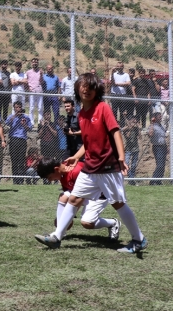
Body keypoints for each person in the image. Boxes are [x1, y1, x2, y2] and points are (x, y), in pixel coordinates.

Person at [34, 72, 148, 254]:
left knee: (118, 203)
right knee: (73, 199)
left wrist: (121, 157)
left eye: (90, 87)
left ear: (97, 90)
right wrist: (77, 156)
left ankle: (138, 239)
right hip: (89, 168)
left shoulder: (102, 108)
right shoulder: (81, 115)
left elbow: (116, 132)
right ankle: (56, 237)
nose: (86, 90)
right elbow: (88, 142)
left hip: (108, 167)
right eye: (83, 87)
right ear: (78, 90)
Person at [36, 157, 120, 241]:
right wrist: (64, 220)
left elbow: (79, 198)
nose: (50, 180)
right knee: (63, 196)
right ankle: (60, 232)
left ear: (56, 169)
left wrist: (68, 219)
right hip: (83, 195)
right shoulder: (62, 173)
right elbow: (71, 197)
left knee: (86, 223)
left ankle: (113, 223)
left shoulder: (76, 172)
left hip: (98, 196)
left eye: (49, 177)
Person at [4, 101, 32, 184]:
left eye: (19, 107)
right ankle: (15, 180)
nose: (18, 109)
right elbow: (6, 124)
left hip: (22, 140)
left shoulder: (26, 117)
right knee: (14, 161)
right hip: (13, 140)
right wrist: (15, 116)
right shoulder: (11, 117)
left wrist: (24, 125)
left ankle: (20, 180)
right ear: (14, 108)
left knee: (21, 161)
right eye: (16, 107)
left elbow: (29, 129)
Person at [148, 112, 167, 185]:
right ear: (155, 118)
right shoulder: (152, 126)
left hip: (163, 146)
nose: (161, 118)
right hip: (157, 147)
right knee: (159, 165)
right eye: (159, 116)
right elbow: (150, 134)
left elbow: (164, 137)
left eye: (161, 116)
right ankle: (153, 181)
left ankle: (159, 180)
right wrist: (152, 123)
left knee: (163, 165)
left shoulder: (161, 126)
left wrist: (166, 146)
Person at [109, 61, 131, 127]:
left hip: (123, 95)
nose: (119, 68)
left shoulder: (126, 75)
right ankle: (114, 124)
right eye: (117, 67)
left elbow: (128, 83)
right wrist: (112, 72)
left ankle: (122, 125)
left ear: (123, 67)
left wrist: (118, 84)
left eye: (120, 67)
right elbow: (112, 82)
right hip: (114, 94)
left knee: (122, 111)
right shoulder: (114, 74)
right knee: (114, 110)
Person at [121, 116, 140, 185]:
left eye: (135, 120)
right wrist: (130, 128)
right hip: (128, 149)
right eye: (132, 120)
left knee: (134, 165)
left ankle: (131, 179)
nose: (134, 122)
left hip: (136, 149)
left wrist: (138, 128)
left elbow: (140, 137)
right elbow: (128, 136)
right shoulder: (126, 129)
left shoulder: (135, 128)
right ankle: (131, 178)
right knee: (126, 163)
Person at [25, 58, 43, 125]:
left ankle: (40, 121)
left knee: (40, 107)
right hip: (32, 91)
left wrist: (41, 75)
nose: (34, 63)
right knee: (31, 107)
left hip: (39, 91)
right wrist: (28, 88)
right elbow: (25, 81)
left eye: (36, 62)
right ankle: (31, 121)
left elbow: (41, 82)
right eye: (33, 62)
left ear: (38, 63)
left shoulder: (40, 71)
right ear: (31, 63)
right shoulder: (28, 72)